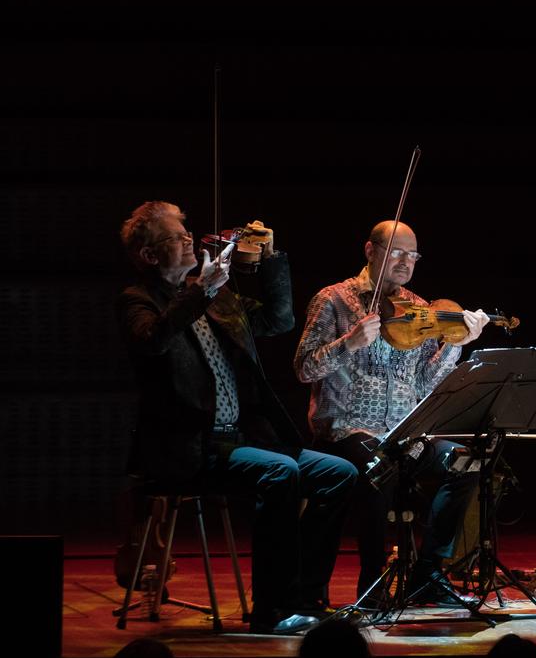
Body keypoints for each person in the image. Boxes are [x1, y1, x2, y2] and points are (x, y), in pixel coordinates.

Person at [117, 202, 358, 634]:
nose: (190, 239)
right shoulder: (139, 300)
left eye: (186, 231)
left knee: (339, 472)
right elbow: (152, 341)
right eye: (176, 236)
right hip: (188, 449)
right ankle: (271, 610)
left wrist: (272, 260)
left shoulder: (216, 297)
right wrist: (201, 291)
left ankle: (303, 594)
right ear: (151, 255)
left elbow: (278, 320)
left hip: (240, 439)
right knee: (281, 472)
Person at [294, 220, 489, 606]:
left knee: (467, 462)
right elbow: (303, 368)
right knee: (379, 468)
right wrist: (348, 343)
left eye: (412, 255)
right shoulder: (332, 299)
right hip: (346, 432)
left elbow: (424, 383)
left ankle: (427, 572)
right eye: (396, 252)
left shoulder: (418, 309)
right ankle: (372, 585)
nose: (405, 262)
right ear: (370, 251)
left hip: (403, 434)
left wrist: (456, 344)